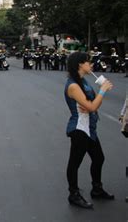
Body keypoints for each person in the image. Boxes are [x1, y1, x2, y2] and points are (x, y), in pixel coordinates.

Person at [64, 52, 114, 209]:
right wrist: (102, 91)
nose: (91, 65)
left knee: (99, 158)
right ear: (80, 64)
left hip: (89, 127)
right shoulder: (73, 85)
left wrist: (91, 103)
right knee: (75, 163)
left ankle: (97, 189)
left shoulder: (83, 81)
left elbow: (91, 104)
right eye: (89, 62)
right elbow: (92, 106)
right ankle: (73, 194)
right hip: (79, 128)